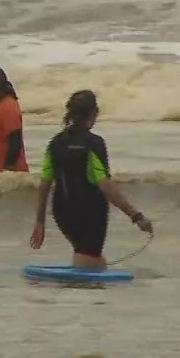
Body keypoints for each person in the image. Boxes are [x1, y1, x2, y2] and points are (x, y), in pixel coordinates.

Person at [31, 90, 153, 270]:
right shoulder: (93, 144)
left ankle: (89, 286)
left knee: (89, 254)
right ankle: (78, 292)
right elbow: (105, 185)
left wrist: (40, 221)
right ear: (93, 113)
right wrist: (136, 216)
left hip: (62, 212)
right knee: (86, 257)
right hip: (89, 212)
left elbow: (44, 184)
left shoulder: (56, 142)